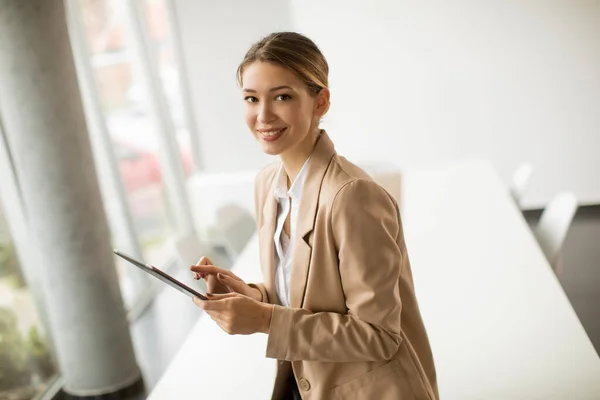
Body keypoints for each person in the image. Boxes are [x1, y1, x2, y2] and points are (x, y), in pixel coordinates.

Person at [190, 32, 438, 400]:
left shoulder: (352, 196)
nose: (263, 116)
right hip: (306, 384)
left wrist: (264, 320)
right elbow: (302, 297)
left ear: (320, 101)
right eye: (251, 99)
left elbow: (380, 335)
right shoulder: (267, 185)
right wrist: (253, 295)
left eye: (282, 97)